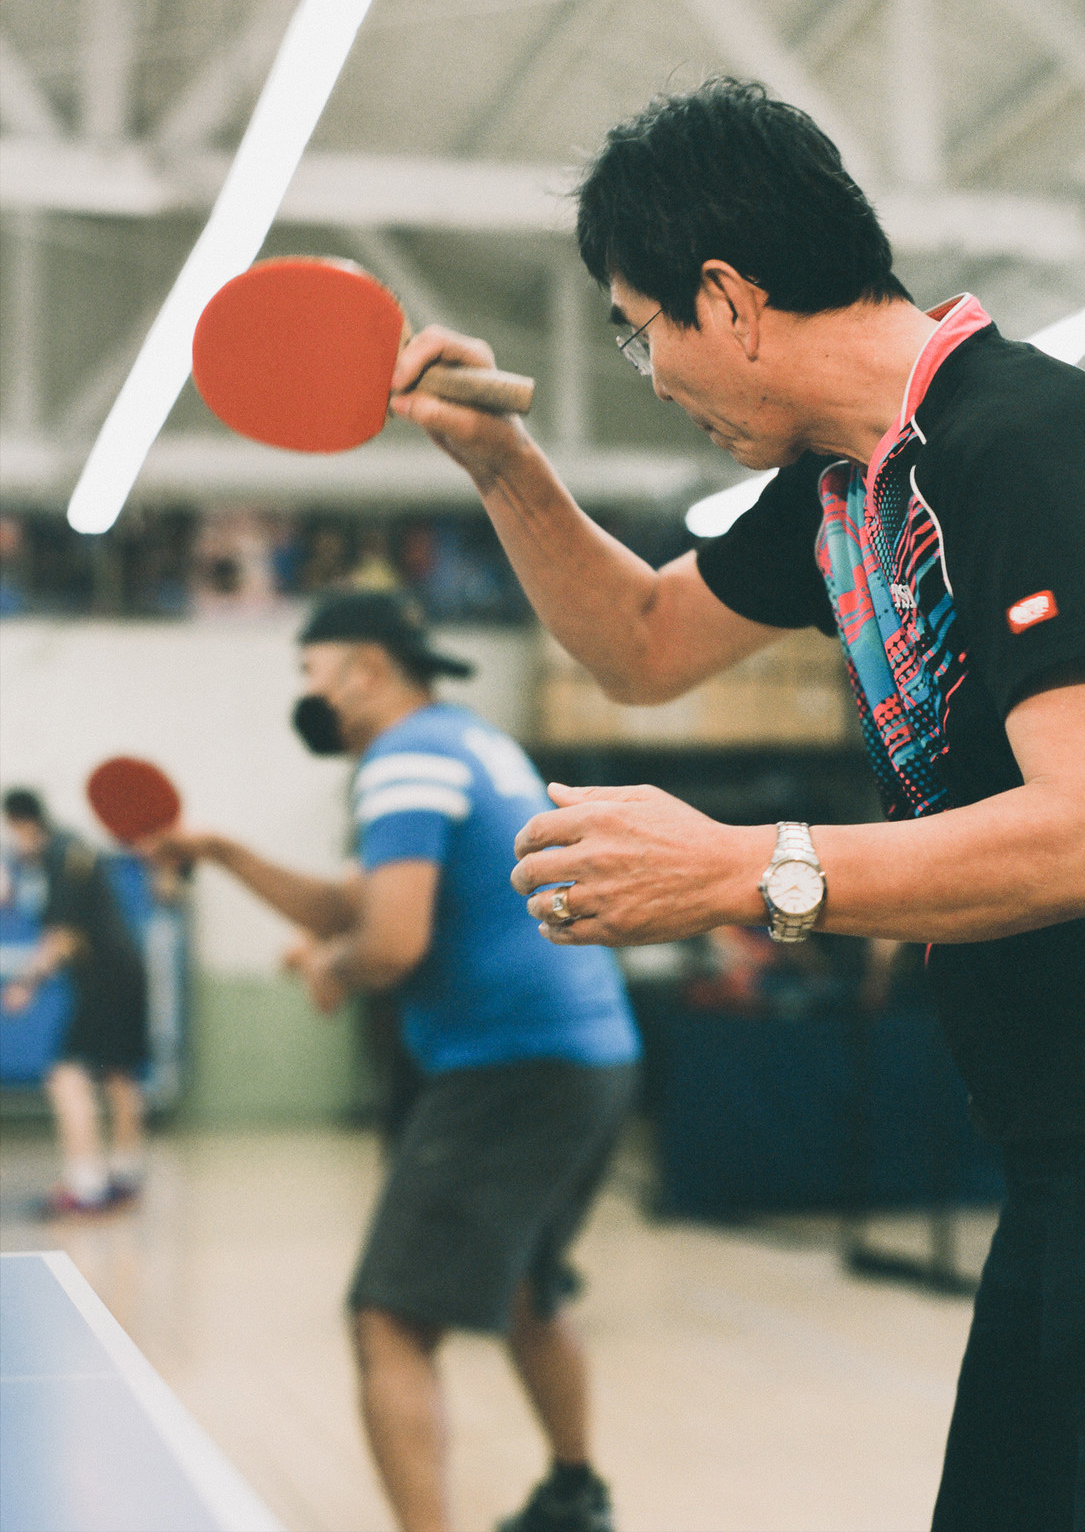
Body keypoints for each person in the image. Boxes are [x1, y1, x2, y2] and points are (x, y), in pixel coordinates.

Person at [386, 77, 1085, 1531]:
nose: (649, 367)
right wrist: (500, 464)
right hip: (1084, 1142)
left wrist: (748, 868)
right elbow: (640, 644)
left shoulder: (1019, 446)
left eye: (644, 322)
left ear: (729, 299)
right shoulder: (843, 495)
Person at [155, 593, 638, 1532]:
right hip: (592, 1052)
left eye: (311, 672)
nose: (308, 693)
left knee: (388, 1319)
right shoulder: (465, 740)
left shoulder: (401, 758)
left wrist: (338, 967)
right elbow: (357, 903)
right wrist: (221, 852)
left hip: (509, 1064)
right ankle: (574, 1493)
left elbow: (387, 940)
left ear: (364, 671)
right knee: (531, 1288)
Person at [0, 789, 150, 1215]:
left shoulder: (57, 855)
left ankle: (85, 1186)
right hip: (125, 970)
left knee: (65, 1074)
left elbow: (61, 936)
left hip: (104, 977)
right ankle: (124, 1176)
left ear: (21, 823)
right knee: (119, 1073)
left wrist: (26, 984)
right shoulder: (73, 848)